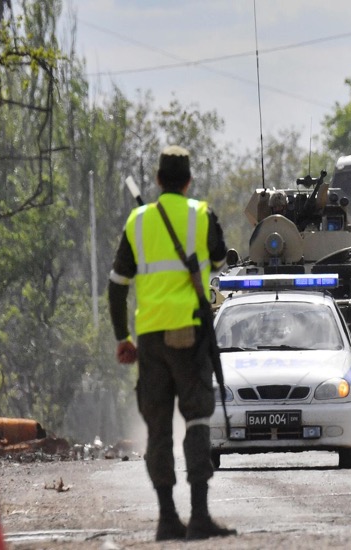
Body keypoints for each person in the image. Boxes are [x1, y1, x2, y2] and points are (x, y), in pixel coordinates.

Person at [108, 145, 236, 541]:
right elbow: (219, 261)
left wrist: (122, 338)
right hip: (190, 333)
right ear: (189, 181)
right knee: (197, 419)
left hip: (150, 339)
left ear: (159, 179)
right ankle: (199, 516)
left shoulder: (137, 221)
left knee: (158, 427)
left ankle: (166, 518)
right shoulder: (201, 215)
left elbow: (116, 288)